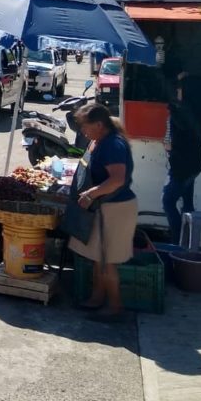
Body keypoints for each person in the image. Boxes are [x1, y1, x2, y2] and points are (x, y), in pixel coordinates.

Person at [68, 102, 138, 321]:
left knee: (107, 260)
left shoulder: (113, 145)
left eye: (85, 126)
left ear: (99, 124)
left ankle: (115, 306)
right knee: (98, 257)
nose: (82, 131)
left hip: (115, 209)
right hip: (104, 207)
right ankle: (97, 298)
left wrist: (90, 194)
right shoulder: (99, 141)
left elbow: (117, 179)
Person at [163, 72, 201, 244]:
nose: (178, 90)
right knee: (187, 204)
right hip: (194, 163)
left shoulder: (183, 110)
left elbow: (181, 126)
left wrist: (173, 105)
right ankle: (187, 242)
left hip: (182, 164)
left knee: (168, 201)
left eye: (181, 87)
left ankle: (177, 241)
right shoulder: (200, 107)